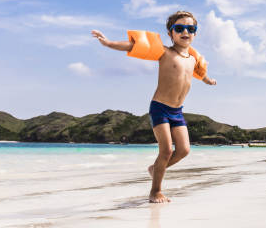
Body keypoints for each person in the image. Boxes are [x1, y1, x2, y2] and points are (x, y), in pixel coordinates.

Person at [91, 11, 216, 203]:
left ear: (195, 33)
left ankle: (155, 169)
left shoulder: (193, 59)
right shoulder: (164, 52)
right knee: (165, 151)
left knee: (183, 150)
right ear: (170, 33)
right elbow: (135, 46)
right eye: (179, 28)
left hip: (177, 111)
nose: (185, 32)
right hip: (160, 108)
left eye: (190, 29)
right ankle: (155, 191)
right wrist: (108, 43)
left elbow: (200, 72)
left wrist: (208, 80)